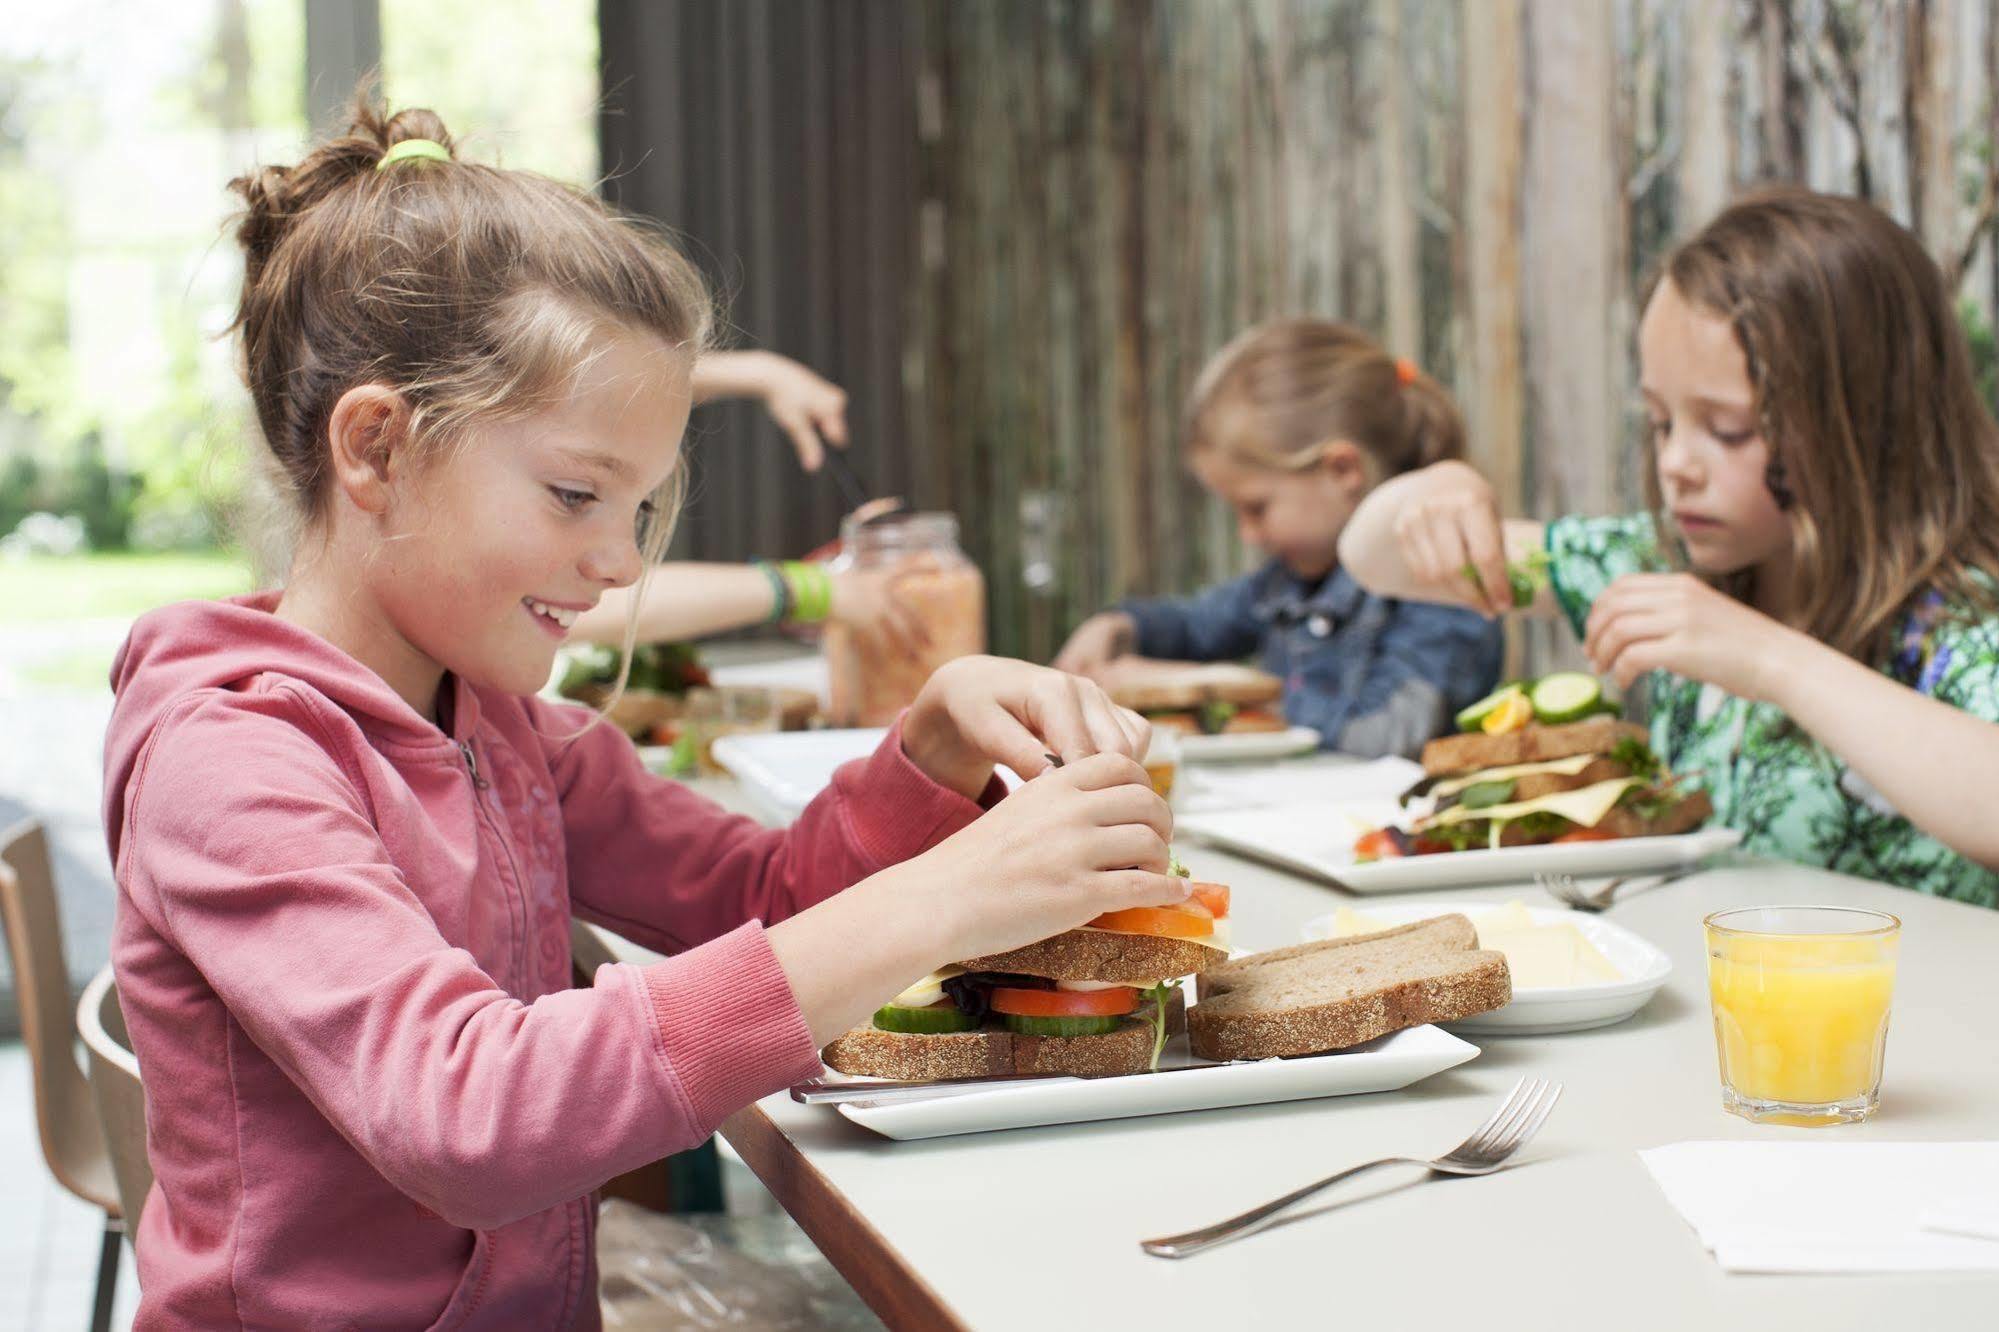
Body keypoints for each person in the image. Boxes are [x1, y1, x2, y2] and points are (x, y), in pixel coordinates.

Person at [101, 104, 1186, 1328]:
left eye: (641, 509)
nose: (620, 563)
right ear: (375, 447)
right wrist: (946, 895)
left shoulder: (501, 728)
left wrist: (928, 748)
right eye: (576, 494)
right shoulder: (232, 762)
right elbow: (470, 1116)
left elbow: (765, 898)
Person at [1339, 186, 1999, 908]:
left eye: (1727, 429)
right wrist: (1436, 490)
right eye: (1659, 423)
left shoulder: (1959, 614)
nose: (1676, 463)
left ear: (1867, 421)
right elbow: (1372, 557)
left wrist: (1765, 657)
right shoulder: (1663, 568)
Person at [1053, 318, 1502, 757]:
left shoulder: (1440, 583)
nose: (1247, 533)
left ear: (1342, 470)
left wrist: (1212, 688)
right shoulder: (1287, 583)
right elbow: (1196, 624)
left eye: (1256, 508)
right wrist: (1118, 626)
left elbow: (1383, 733)